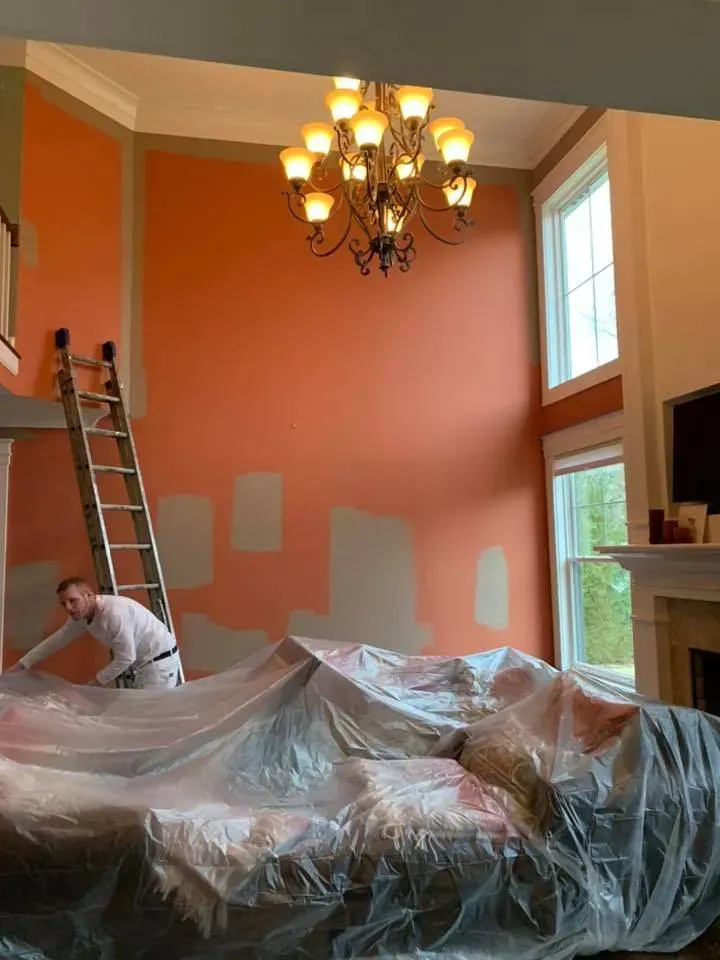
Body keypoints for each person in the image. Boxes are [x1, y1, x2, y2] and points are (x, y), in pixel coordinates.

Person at [10, 577, 181, 689]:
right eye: (63, 604)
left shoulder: (113, 614)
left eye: (73, 601)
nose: (68, 608)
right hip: (144, 663)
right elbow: (56, 640)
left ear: (88, 595)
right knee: (139, 718)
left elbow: (126, 657)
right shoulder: (82, 616)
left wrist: (93, 684)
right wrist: (22, 665)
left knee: (148, 721)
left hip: (159, 663)